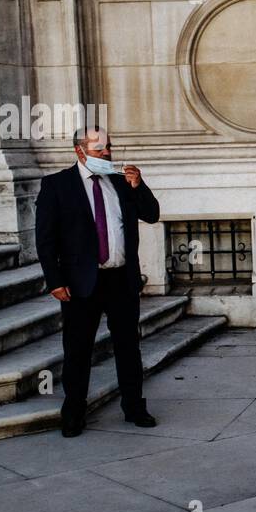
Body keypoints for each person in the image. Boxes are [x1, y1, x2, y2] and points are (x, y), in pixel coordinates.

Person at [34, 127, 161, 437]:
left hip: (121, 279)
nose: (107, 153)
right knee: (78, 350)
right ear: (80, 151)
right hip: (80, 283)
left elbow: (152, 214)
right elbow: (45, 239)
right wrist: (54, 280)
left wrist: (139, 185)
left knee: (128, 347)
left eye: (109, 148)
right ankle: (74, 412)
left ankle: (134, 406)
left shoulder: (121, 183)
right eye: (100, 149)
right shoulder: (56, 185)